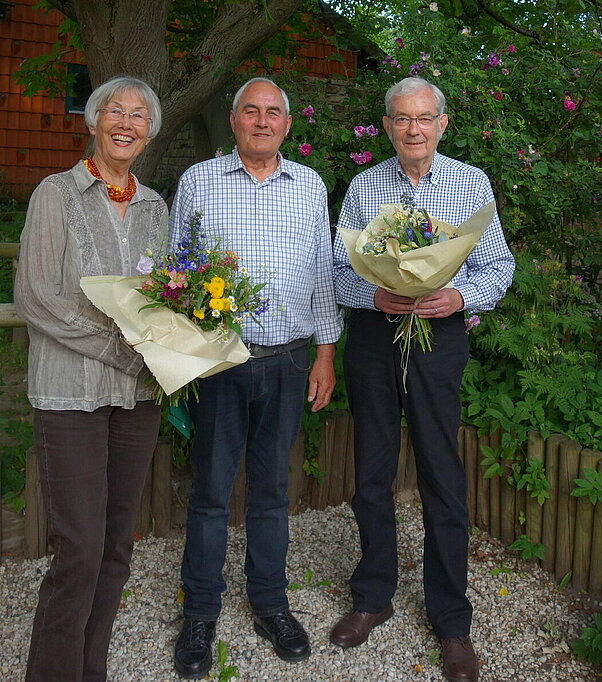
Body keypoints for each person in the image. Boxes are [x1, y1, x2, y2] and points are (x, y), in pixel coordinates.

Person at [331, 77, 515, 682]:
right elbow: (339, 265)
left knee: (441, 470)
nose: (413, 129)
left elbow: (499, 263)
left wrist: (460, 294)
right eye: (402, 119)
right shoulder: (364, 186)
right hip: (374, 334)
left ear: (442, 123)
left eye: (423, 118)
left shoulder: (471, 182)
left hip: (442, 332)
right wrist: (374, 292)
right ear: (387, 126)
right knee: (373, 469)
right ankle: (373, 596)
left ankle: (451, 620)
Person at [170, 77, 343, 679]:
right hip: (222, 361)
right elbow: (177, 274)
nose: (262, 121)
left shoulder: (309, 186)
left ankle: (270, 603)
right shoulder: (199, 181)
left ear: (287, 125)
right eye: (251, 111)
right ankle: (200, 613)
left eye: (273, 113)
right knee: (211, 492)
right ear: (234, 119)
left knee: (272, 491)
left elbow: (324, 275)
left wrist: (325, 352)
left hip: (291, 360)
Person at [15, 75, 167, 682]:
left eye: (138, 114)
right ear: (94, 121)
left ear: (149, 132)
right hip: (70, 395)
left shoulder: (156, 206)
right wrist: (121, 349)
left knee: (115, 548)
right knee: (77, 551)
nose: (126, 122)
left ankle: (90, 667)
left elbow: (161, 299)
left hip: (138, 398)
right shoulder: (56, 195)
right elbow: (37, 299)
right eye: (115, 110)